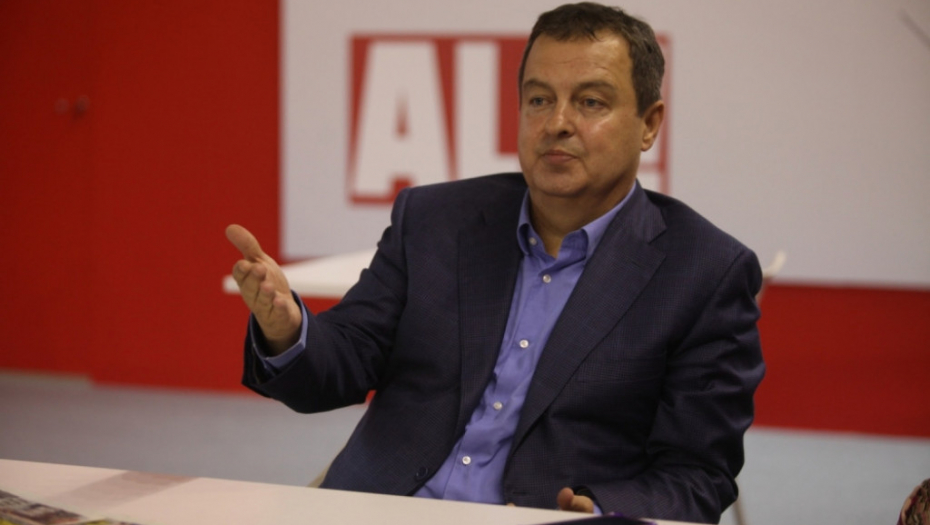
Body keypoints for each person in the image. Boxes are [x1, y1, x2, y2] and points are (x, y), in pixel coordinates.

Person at [227, 2, 765, 523]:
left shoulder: (704, 273)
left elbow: (697, 477)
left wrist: (600, 510)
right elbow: (343, 362)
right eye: (539, 99)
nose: (557, 122)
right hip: (378, 507)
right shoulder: (435, 219)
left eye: (590, 102)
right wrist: (289, 328)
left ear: (649, 123)